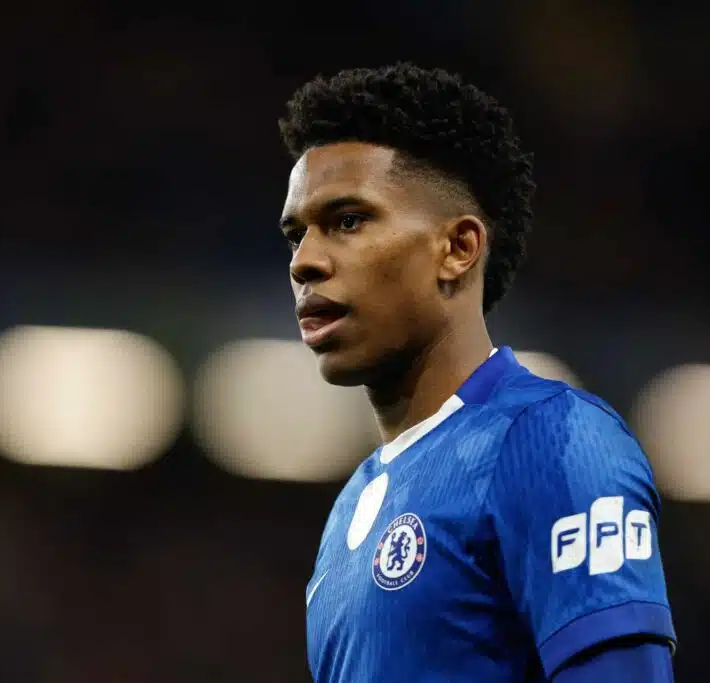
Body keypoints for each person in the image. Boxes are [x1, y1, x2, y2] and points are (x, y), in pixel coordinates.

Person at [277, 63, 676, 683]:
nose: (304, 262)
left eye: (347, 221)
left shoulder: (552, 439)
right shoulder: (349, 511)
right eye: (296, 235)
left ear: (458, 249)